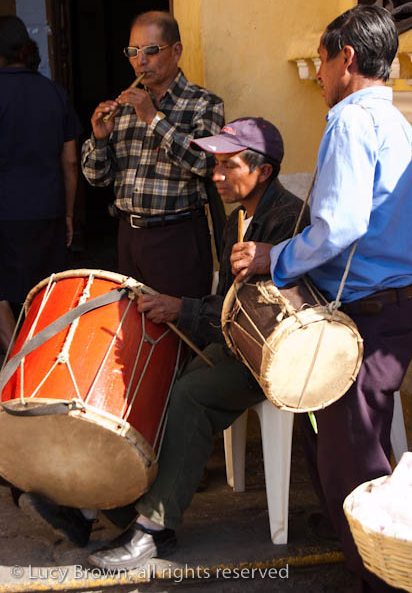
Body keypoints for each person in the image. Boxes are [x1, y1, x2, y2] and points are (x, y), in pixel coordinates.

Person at [19, 117, 308, 564]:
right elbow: (227, 303)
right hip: (237, 343)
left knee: (192, 395)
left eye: (228, 165)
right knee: (159, 381)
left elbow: (260, 312)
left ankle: (154, 530)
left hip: (273, 354)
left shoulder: (288, 219)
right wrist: (181, 310)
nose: (216, 175)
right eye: (216, 165)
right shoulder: (238, 218)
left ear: (263, 170)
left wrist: (182, 309)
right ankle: (98, 505)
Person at [231, 6, 412, 592]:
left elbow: (340, 225)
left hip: (369, 310)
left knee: (352, 456)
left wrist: (275, 257)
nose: (319, 74)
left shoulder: (351, 120)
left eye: (323, 60)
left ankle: (381, 577)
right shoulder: (397, 120)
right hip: (392, 304)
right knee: (335, 441)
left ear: (346, 58)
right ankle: (347, 538)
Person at [81, 10, 224, 298]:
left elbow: (206, 162)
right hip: (128, 235)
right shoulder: (124, 108)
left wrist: (153, 119)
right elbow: (97, 178)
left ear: (176, 51)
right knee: (134, 322)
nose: (140, 61)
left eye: (151, 50)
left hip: (177, 237)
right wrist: (99, 139)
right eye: (133, 52)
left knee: (179, 322)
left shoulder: (204, 103)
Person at [0, 16, 80, 352]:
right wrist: (68, 213)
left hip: (5, 212)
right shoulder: (54, 92)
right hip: (48, 209)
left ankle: (18, 359)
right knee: (47, 291)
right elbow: (71, 161)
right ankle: (44, 358)